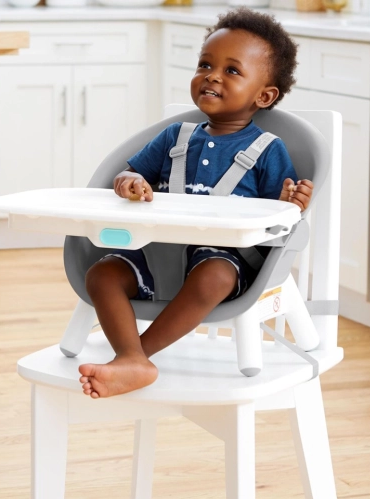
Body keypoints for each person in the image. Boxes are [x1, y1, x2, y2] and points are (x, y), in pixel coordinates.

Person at [79, 7, 314, 398]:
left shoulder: (268, 150)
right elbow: (126, 175)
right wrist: (130, 182)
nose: (212, 75)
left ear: (264, 95)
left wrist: (291, 202)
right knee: (100, 275)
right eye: (205, 64)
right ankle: (131, 358)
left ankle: (136, 357)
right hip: (156, 251)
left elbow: (279, 219)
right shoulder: (175, 136)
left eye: (232, 70)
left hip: (222, 259)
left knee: (215, 276)